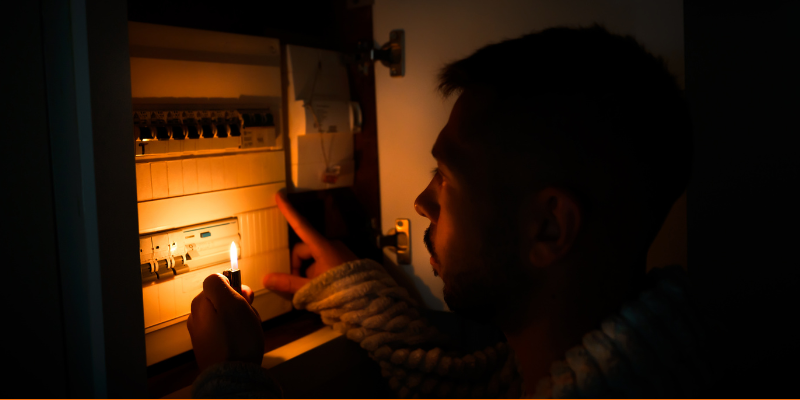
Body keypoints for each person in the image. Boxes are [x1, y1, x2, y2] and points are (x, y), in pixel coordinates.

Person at [187, 25, 707, 398]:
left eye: (446, 177)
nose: (421, 202)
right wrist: (352, 287)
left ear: (548, 228)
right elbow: (460, 383)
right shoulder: (628, 362)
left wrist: (227, 377)